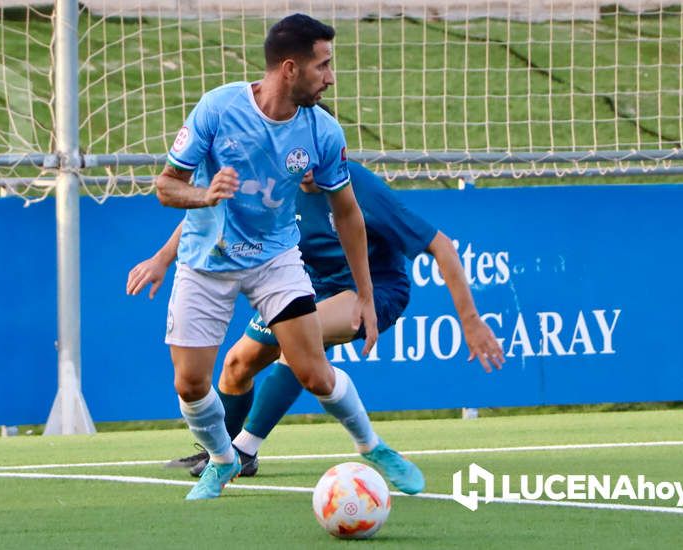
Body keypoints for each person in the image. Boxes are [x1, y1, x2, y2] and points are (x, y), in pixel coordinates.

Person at [139, 13, 423, 500]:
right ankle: (224, 458)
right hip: (207, 261)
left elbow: (349, 214)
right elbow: (166, 186)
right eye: (323, 66)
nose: (330, 78)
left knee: (312, 370)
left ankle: (373, 447)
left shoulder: (323, 132)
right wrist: (205, 196)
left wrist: (367, 295)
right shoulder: (217, 108)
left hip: (275, 260)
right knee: (190, 384)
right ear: (290, 68)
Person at [129, 156, 505, 478]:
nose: (302, 163)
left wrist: (470, 320)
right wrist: (162, 258)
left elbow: (440, 245)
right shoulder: (274, 179)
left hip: (372, 292)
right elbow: (213, 213)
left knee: (298, 345)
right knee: (236, 364)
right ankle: (220, 452)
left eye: (310, 153)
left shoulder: (356, 185)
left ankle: (244, 450)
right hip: (308, 288)